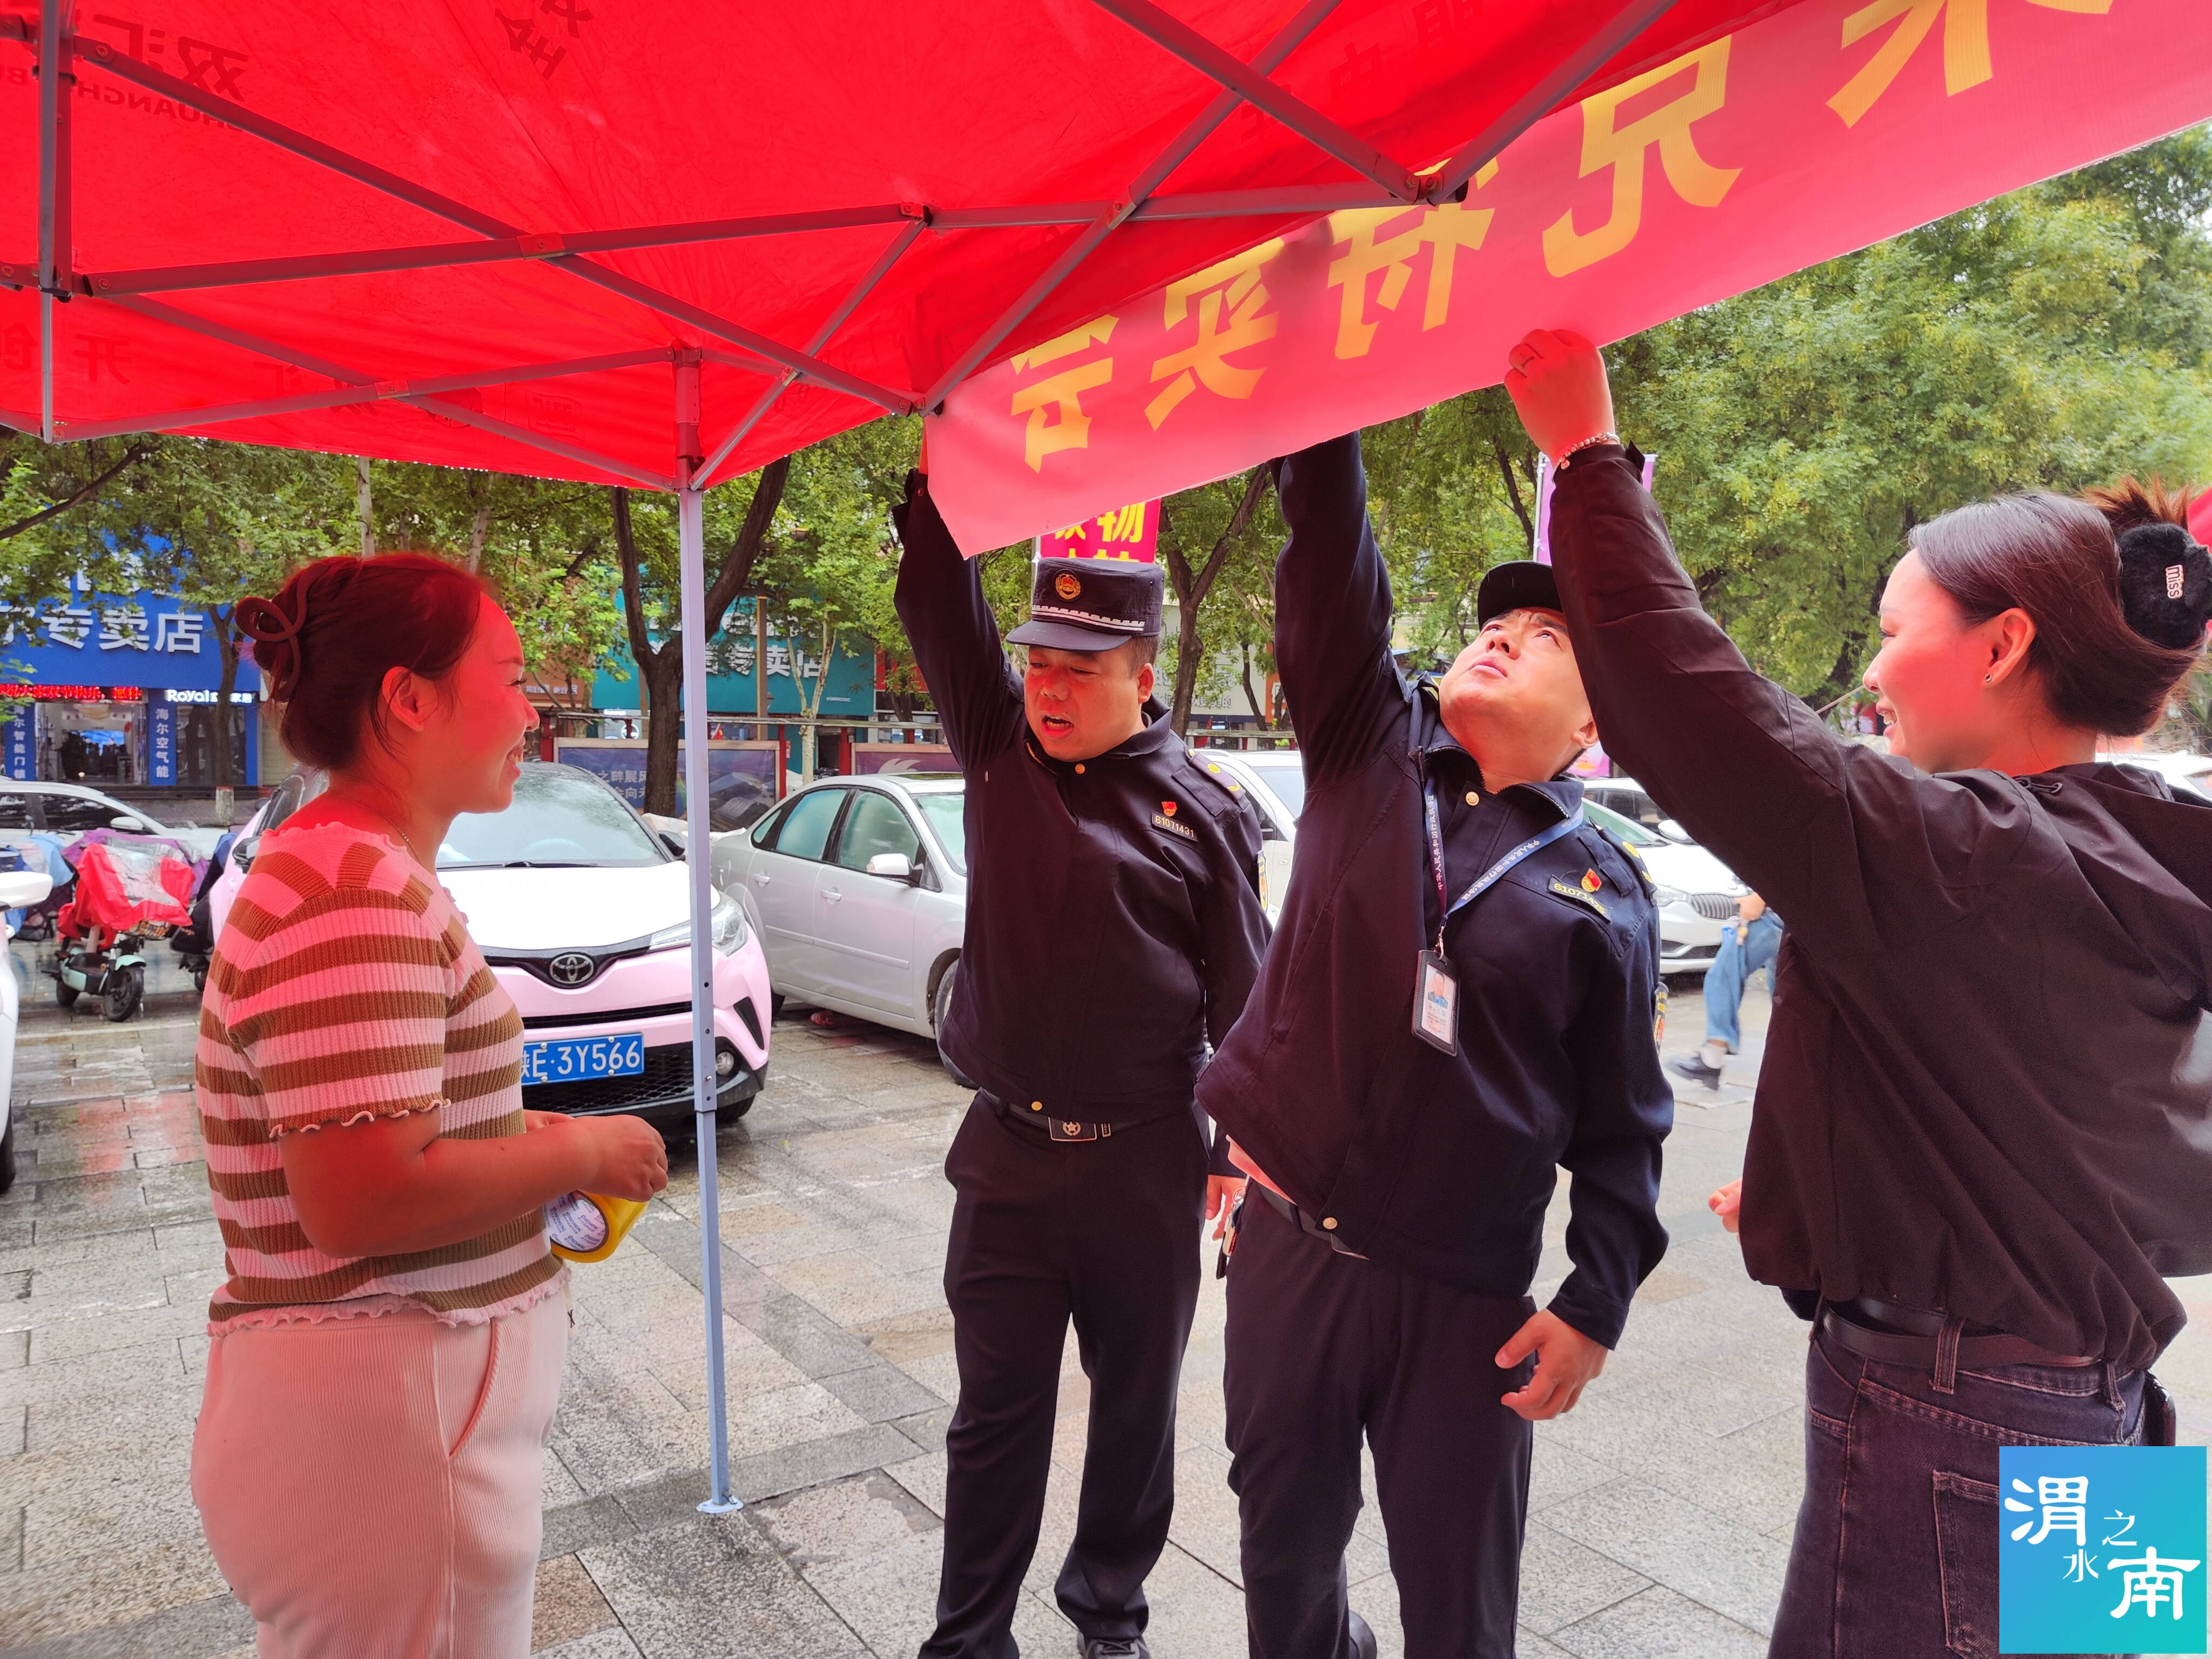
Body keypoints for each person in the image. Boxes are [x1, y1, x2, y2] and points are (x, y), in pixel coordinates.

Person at [1505, 327, 2212, 1658]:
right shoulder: (2133, 840)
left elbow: (1692, 704)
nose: (1872, 673)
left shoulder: (1958, 850)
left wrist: (1587, 457)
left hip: (1956, 1425)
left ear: (2002, 644)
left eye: (1892, 632)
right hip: (2097, 1399)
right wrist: (1829, 1185)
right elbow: (2027, 1114)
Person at [1196, 436, 1674, 1659]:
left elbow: (1624, 1127)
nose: (1501, 636)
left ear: (1594, 721)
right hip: (1290, 1256)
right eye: (1493, 622)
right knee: (1283, 1561)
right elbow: (1329, 553)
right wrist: (1328, 405)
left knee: (1460, 1603)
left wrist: (1595, 1300)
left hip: (1464, 1303)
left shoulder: (1604, 889)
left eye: (1547, 635)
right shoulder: (1371, 744)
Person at [190, 553, 669, 1658]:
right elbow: (362, 1199)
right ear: (409, 699)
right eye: (510, 677)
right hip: (389, 1429)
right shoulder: (350, 892)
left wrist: (524, 1135)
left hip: (407, 1426)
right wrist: (581, 1153)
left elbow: (381, 1124)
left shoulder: (359, 871)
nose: (533, 713)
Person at [892, 458, 1269, 1659]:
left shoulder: (1205, 809)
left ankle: (1109, 1612)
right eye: (1039, 662)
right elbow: (936, 599)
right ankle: (968, 1637)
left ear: (1142, 676)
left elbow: (1246, 998)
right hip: (1006, 1155)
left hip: (1141, 1163)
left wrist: (1235, 1151)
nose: (1049, 688)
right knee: (993, 1417)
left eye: (1081, 668)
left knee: (1134, 1412)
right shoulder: (997, 745)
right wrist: (941, 472)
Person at [1668, 892, 1780, 1090]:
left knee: (1723, 975)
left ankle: (1713, 1055)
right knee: (1785, 997)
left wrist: (1760, 898)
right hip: (1792, 916)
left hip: (1776, 914)